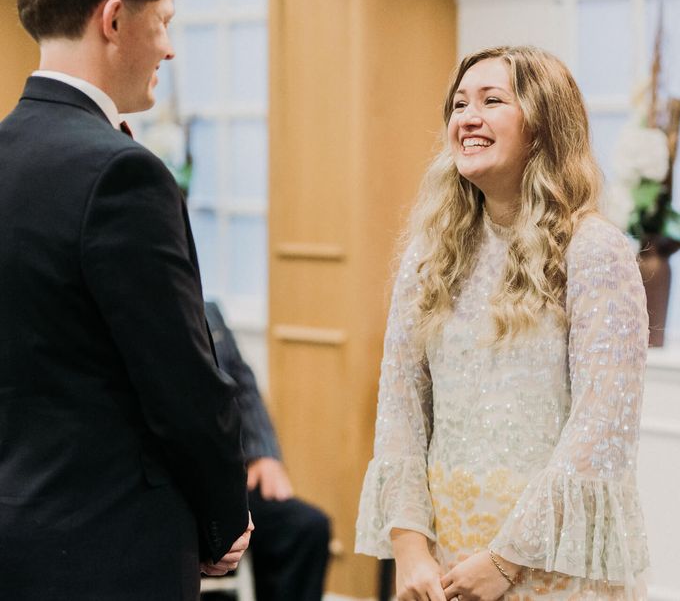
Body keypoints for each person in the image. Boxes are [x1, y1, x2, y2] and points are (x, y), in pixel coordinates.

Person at [0, 0, 252, 600]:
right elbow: (182, 383)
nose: (169, 50)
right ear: (114, 20)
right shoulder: (123, 173)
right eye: (163, 21)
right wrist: (222, 520)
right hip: (109, 547)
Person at [355, 46, 650, 600]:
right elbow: (399, 406)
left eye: (492, 101)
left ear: (543, 126)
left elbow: (599, 431)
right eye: (459, 104)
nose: (467, 117)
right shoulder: (429, 254)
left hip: (549, 562)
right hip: (444, 562)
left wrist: (505, 561)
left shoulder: (594, 252)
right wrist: (412, 547)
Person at [203, 302, 331, 601]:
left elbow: (243, 385)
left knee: (307, 527)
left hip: (234, 483)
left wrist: (264, 455)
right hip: (181, 488)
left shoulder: (210, 312)